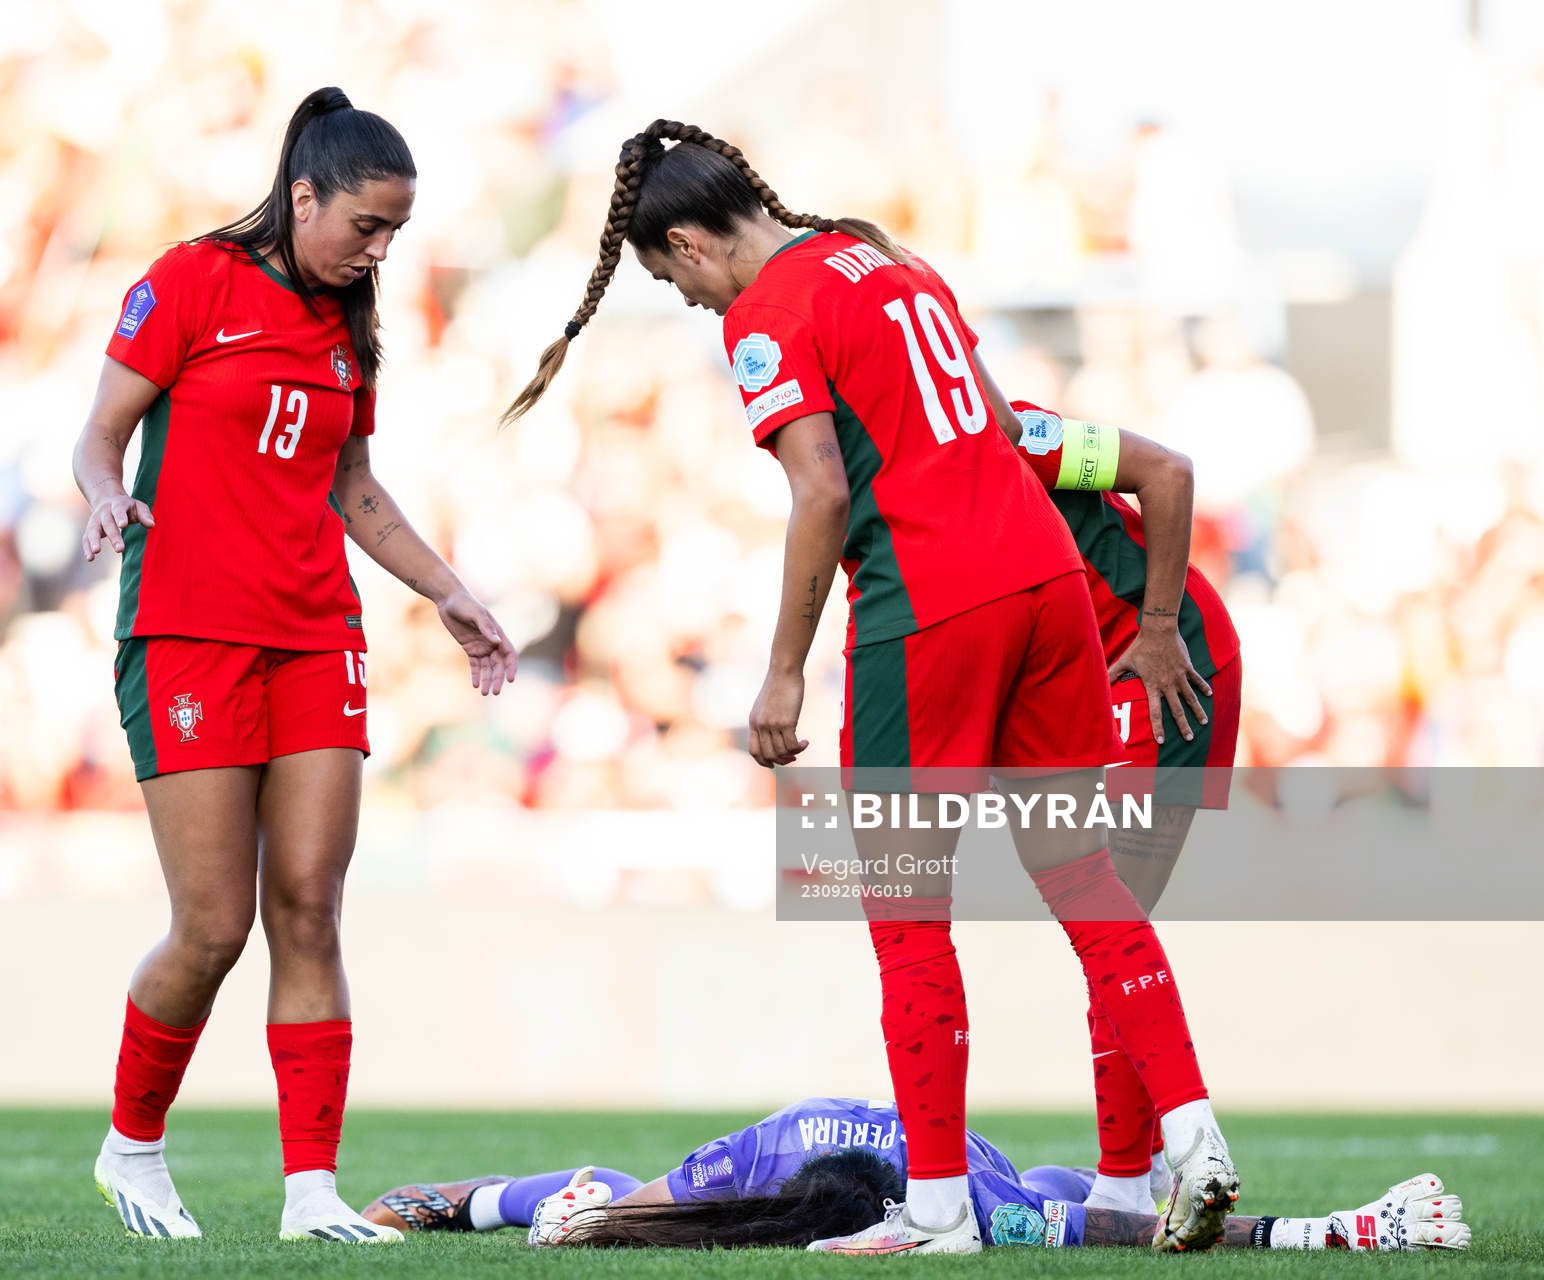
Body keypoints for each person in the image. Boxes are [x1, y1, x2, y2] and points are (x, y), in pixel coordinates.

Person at [502, 120, 1235, 1254]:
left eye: (673, 282)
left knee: (906, 916)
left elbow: (822, 491)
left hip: (931, 602)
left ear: (690, 244)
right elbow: (996, 422)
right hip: (1048, 583)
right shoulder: (891, 261)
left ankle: (937, 1209)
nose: (693, 305)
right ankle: (1194, 1137)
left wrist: (783, 669)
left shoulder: (765, 314)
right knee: (1083, 878)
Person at [71, 86, 517, 1244]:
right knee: (212, 924)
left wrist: (451, 592)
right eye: (366, 225)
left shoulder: (350, 320)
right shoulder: (188, 281)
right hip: (187, 631)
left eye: (395, 233)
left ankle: (311, 1191)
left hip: (317, 632)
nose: (379, 249)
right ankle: (133, 1147)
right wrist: (108, 494)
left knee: (310, 907)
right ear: (304, 196)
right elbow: (98, 434)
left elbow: (352, 484)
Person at [1004, 400, 1243, 1213]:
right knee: (1107, 920)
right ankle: (1129, 1178)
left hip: (1165, 667)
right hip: (1088, 684)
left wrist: (1160, 624)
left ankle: (1125, 1182)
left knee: (1111, 913)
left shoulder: (1015, 435)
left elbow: (1168, 473)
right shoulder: (908, 471)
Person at [356, 1097, 1469, 1254]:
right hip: (963, 1155)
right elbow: (1156, 1233)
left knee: (1063, 1193)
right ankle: (449, 1198)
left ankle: (445, 1196)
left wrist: (1322, 1231)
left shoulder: (741, 1161)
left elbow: (1150, 1232)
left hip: (983, 1163)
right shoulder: (750, 1160)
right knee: (1062, 1194)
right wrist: (1319, 1229)